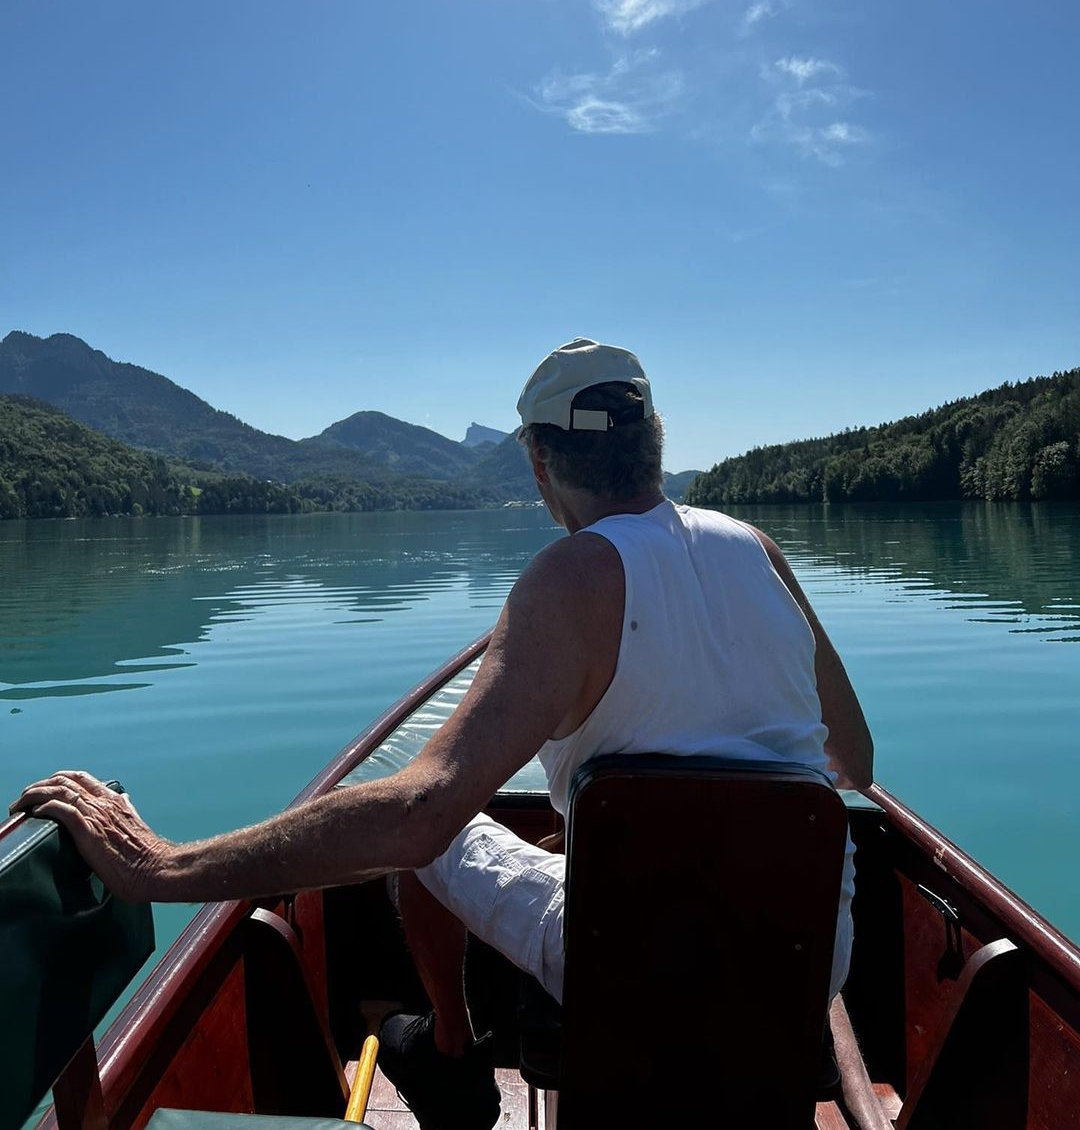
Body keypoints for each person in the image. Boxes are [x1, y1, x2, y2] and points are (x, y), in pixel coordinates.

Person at [12, 338, 873, 1130]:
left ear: (539, 462)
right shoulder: (758, 550)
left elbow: (418, 815)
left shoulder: (569, 578)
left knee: (436, 826)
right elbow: (854, 761)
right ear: (654, 438)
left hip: (628, 968)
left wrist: (159, 867)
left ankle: (456, 1057)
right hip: (803, 963)